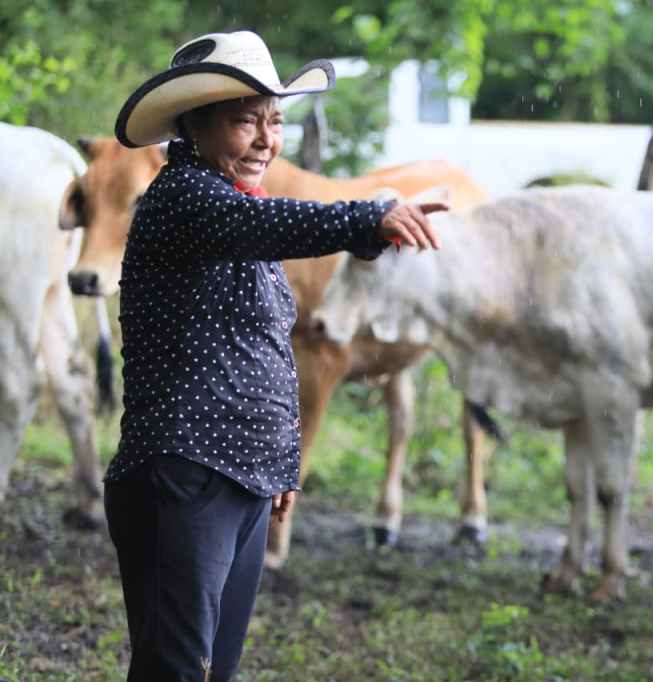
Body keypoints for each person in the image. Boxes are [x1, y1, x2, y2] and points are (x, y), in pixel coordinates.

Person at [104, 30, 445, 681]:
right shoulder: (183, 199)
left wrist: (280, 462)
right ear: (195, 128)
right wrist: (368, 218)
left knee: (215, 670)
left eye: (275, 122)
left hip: (244, 474)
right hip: (183, 468)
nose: (266, 140)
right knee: (176, 670)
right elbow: (269, 224)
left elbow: (267, 350)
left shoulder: (234, 210)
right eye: (245, 122)